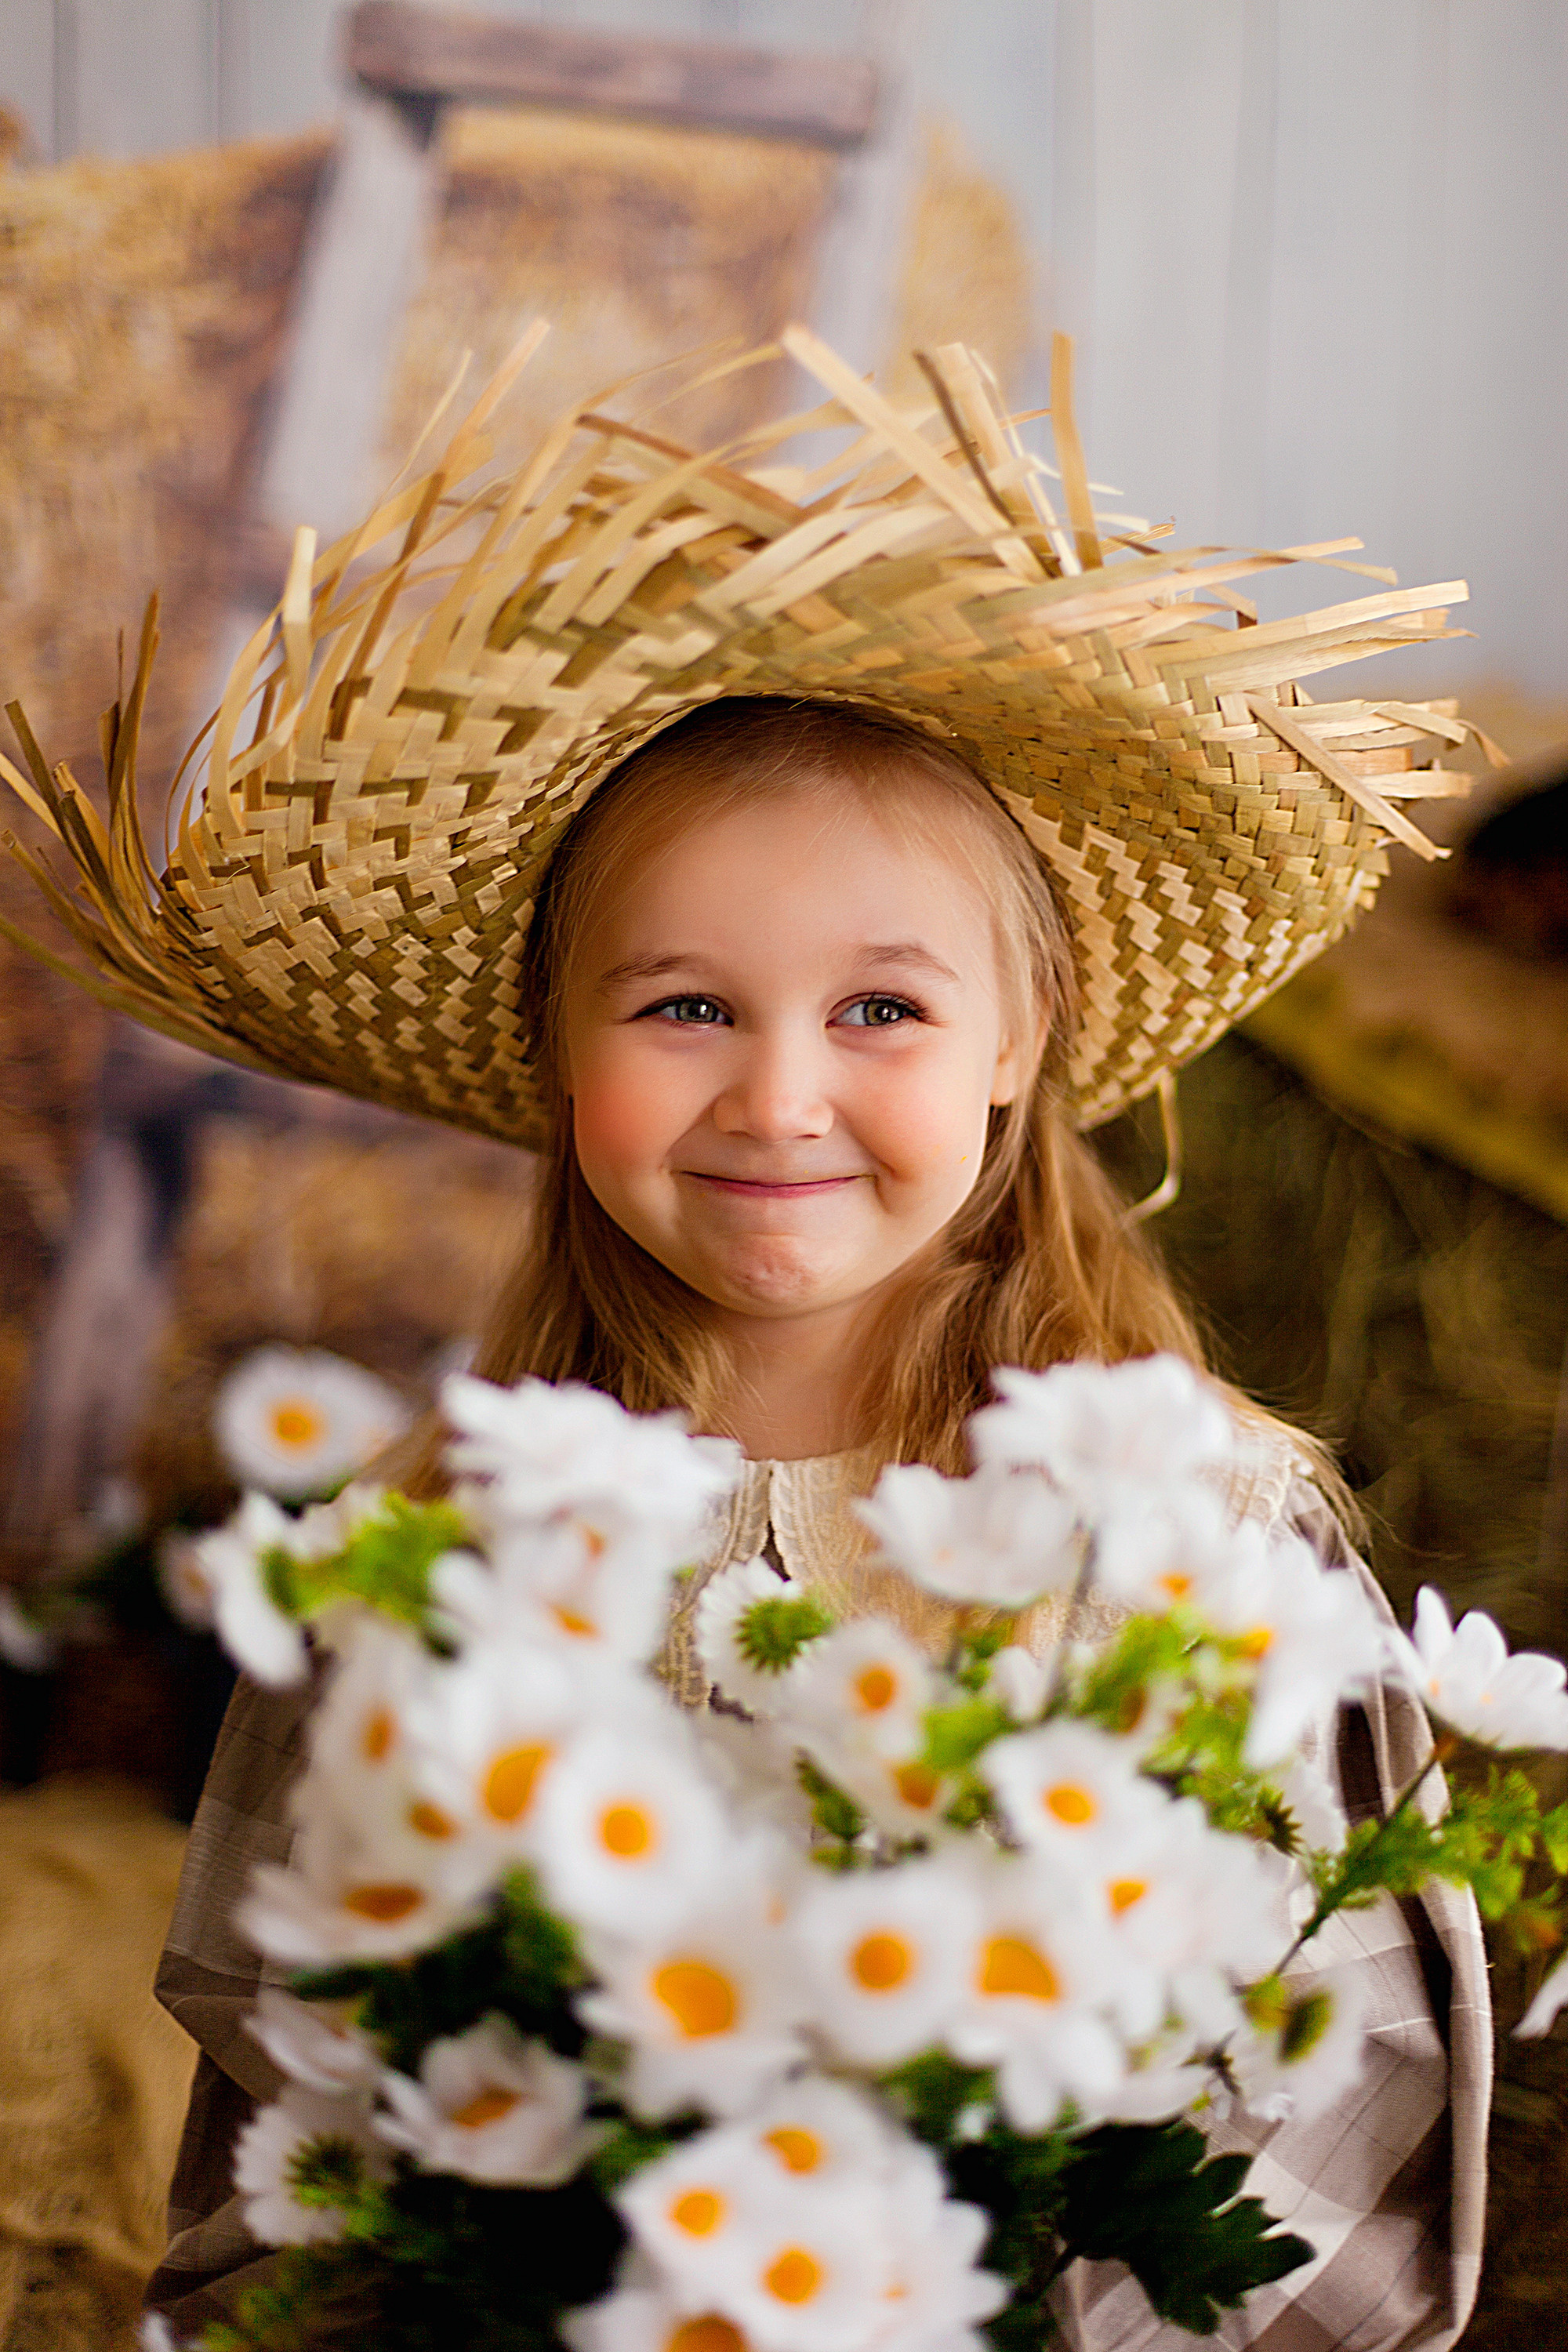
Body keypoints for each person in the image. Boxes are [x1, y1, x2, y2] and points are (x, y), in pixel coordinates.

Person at [2, 333, 1490, 2346]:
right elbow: (298, 2094)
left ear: (1013, 1047)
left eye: (879, 1009)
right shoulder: (432, 1548)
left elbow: (1337, 2103)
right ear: (556, 1046)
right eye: (685, 1006)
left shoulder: (1193, 1539)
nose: (779, 1099)